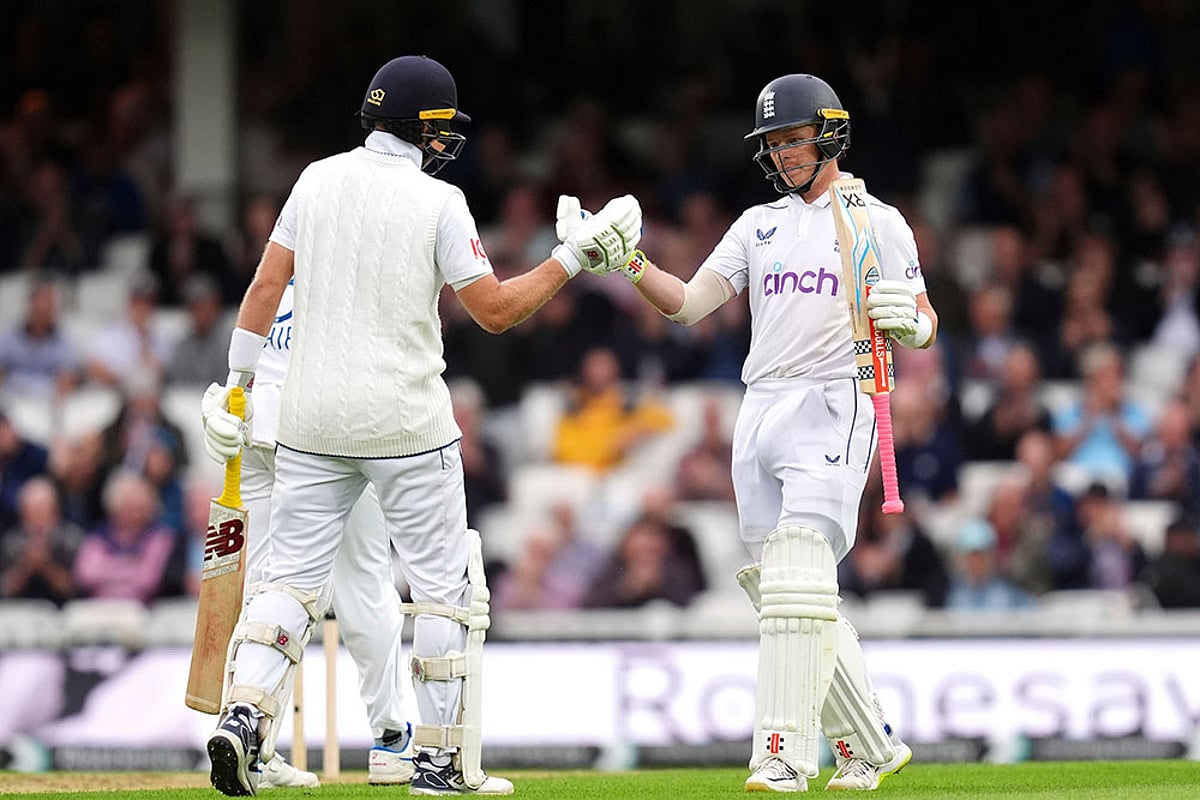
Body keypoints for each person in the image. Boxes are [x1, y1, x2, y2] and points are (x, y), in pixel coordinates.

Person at [199, 55, 641, 797]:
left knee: (289, 580)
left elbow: (266, 285)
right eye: (441, 127)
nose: (447, 142)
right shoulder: (441, 202)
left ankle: (244, 715)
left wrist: (237, 388)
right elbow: (496, 312)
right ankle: (438, 763)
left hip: (310, 419)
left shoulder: (314, 179)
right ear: (420, 126)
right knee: (442, 591)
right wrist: (573, 258)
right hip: (407, 420)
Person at [558, 73, 932, 792]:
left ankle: (783, 754)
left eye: (793, 139)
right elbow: (691, 304)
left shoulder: (876, 220)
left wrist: (912, 324)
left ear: (828, 134)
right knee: (783, 588)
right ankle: (868, 744)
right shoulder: (757, 224)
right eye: (774, 143)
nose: (782, 154)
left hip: (834, 400)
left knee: (798, 570)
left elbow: (922, 315)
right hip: (760, 406)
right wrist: (626, 263)